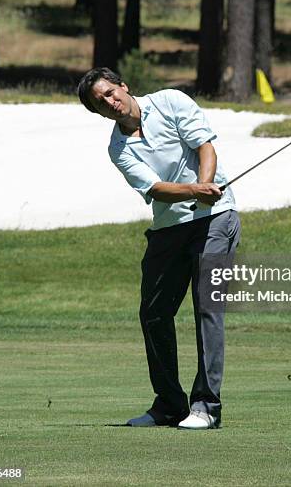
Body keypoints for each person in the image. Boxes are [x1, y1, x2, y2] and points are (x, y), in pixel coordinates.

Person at [77, 67, 241, 430]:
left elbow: (204, 147)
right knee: (153, 313)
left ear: (124, 85)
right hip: (169, 228)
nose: (110, 102)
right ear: (99, 112)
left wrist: (205, 185)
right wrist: (193, 193)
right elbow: (155, 189)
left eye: (110, 92)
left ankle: (206, 407)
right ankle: (169, 404)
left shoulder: (170, 101)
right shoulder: (117, 148)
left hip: (216, 219)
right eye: (100, 102)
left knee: (206, 309)